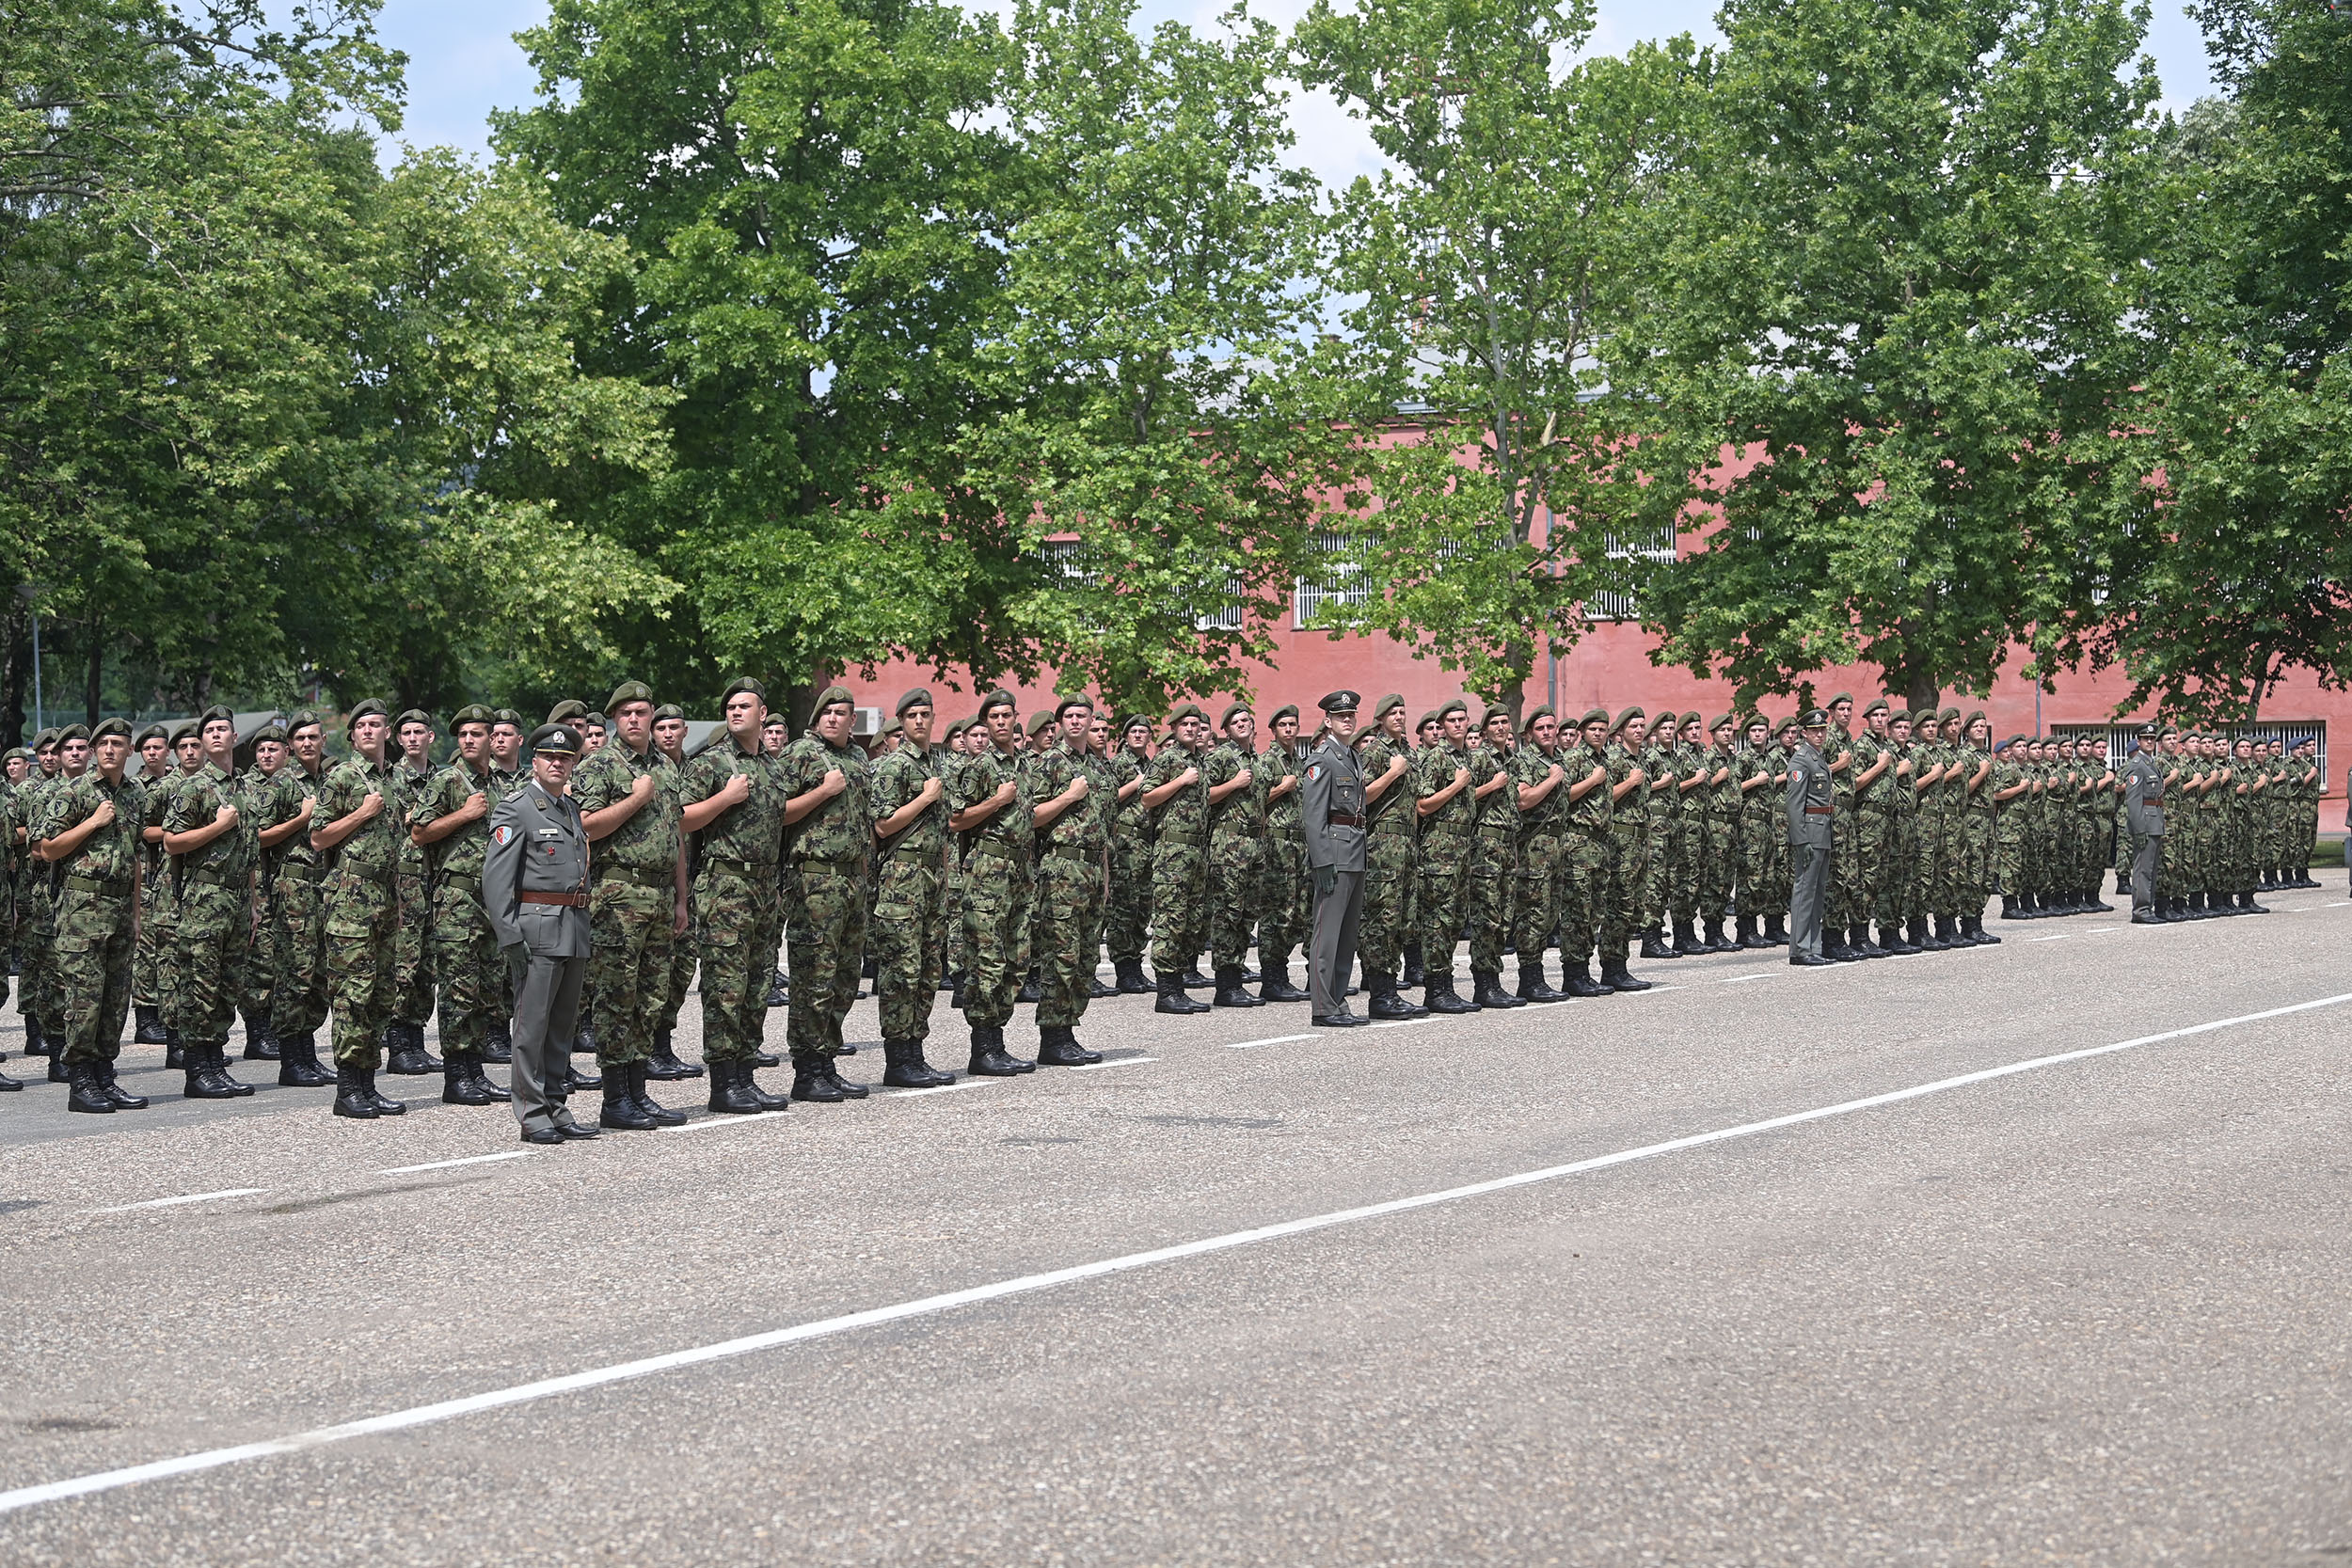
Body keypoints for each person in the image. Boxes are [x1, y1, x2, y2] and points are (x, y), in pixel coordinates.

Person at [485, 722, 600, 1145]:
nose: (557, 764)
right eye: (549, 757)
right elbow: (496, 877)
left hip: (573, 928)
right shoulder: (516, 808)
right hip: (536, 931)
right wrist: (509, 934)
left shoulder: (569, 807)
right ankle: (532, 1114)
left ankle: (555, 1105)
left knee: (561, 1028)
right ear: (534, 762)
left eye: (565, 758)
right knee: (531, 1028)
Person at [680, 677, 792, 1113]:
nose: (735, 711)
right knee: (725, 986)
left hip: (764, 887)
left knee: (758, 983)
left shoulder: (773, 767)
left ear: (762, 714)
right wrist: (725, 798)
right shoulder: (711, 762)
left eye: (744, 706)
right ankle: (724, 1083)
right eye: (730, 707)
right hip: (725, 886)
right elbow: (682, 818)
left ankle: (746, 1076)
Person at [38, 718, 148, 1112]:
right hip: (82, 910)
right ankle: (81, 1081)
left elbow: (135, 856)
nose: (109, 750)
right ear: (93, 750)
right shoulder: (75, 792)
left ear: (129, 750)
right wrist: (93, 822)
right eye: (102, 744)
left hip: (120, 907)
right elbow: (48, 848)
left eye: (117, 743)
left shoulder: (134, 794)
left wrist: (137, 912)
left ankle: (105, 1075)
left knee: (115, 998)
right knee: (84, 998)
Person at [408, 705, 513, 1109]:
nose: (468, 740)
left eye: (476, 734)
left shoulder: (500, 784)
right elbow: (419, 832)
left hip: (492, 900)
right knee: (459, 989)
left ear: (491, 738)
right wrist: (464, 814)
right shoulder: (447, 781)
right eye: (463, 735)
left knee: (487, 989)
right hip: (457, 899)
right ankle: (456, 1077)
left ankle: (476, 1071)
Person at [777, 684, 878, 1099]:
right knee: (813, 978)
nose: (833, 718)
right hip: (815, 880)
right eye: (827, 712)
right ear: (817, 718)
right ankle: (807, 1070)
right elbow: (777, 813)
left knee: (844, 978)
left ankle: (826, 1060)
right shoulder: (800, 754)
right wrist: (822, 791)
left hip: (853, 880)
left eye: (841, 713)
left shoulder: (857, 757)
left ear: (853, 720)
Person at [311, 699, 409, 1119]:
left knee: (382, 993)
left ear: (387, 732)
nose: (368, 731)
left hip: (386, 895)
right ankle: (348, 1088)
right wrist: (362, 813)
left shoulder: (396, 779)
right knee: (353, 993)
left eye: (375, 724)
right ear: (352, 736)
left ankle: (368, 1083)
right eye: (361, 726)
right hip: (351, 898)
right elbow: (318, 836)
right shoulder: (342, 777)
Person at [162, 705, 260, 1099]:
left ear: (235, 738)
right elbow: (171, 842)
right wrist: (217, 827)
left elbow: (249, 851)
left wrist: (254, 903)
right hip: (204, 899)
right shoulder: (194, 786)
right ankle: (197, 1070)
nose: (217, 734)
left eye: (223, 729)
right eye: (210, 730)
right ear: (202, 741)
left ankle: (216, 1064)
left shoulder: (245, 788)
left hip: (237, 898)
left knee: (227, 986)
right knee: (200, 986)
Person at [868, 688, 957, 1087]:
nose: (919, 721)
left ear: (933, 718)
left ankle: (916, 1051)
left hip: (932, 877)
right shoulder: (894, 766)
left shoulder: (939, 763)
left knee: (927, 969)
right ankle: (898, 1058)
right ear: (901, 723)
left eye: (925, 714)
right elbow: (883, 826)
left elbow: (943, 832)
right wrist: (924, 799)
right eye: (911, 716)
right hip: (902, 878)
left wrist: (946, 880)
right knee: (901, 970)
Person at [1025, 692, 1109, 1064]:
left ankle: (1069, 1030)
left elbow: (1103, 826)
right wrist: (1068, 797)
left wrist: (1105, 874)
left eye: (1082, 715)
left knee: (1086, 956)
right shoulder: (1048, 762)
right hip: (1062, 868)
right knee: (1061, 954)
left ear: (1091, 721)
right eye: (1069, 716)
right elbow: (1031, 816)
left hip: (1093, 869)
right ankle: (1053, 1036)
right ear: (1060, 723)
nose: (1076, 721)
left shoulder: (1098, 767)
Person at [1299, 691, 1369, 1027]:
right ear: (1327, 721)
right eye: (1341, 716)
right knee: (1327, 935)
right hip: (1335, 853)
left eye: (1351, 715)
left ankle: (1338, 1001)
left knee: (1346, 936)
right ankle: (1323, 1007)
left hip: (1355, 850)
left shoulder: (1352, 756)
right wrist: (1322, 861)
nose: (1347, 720)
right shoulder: (1322, 759)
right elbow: (1313, 816)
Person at [1140, 704, 1215, 1017]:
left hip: (1196, 852)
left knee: (1190, 922)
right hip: (1173, 852)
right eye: (1184, 724)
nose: (1191, 729)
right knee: (1170, 920)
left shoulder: (1200, 762)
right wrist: (1181, 781)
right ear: (1173, 727)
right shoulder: (1168, 759)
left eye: (1195, 724)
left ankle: (1179, 985)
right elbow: (1147, 798)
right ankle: (1167, 991)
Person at [1203, 705, 1266, 1009]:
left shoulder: (1258, 760)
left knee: (1247, 915)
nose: (1241, 724)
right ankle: (1226, 985)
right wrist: (1233, 784)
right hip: (1229, 844)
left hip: (1254, 845)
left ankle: (1237, 976)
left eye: (1245, 720)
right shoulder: (1219, 757)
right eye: (1235, 722)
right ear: (1226, 730)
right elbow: (1203, 796)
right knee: (1228, 914)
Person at [1787, 708, 1835, 966]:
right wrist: (1801, 840)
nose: (1819, 734)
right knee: (1805, 891)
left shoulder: (1817, 758)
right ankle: (1799, 949)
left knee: (1817, 892)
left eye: (1822, 730)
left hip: (1822, 829)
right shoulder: (1801, 760)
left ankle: (1813, 946)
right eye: (1814, 731)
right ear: (1804, 733)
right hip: (1810, 831)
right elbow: (1794, 805)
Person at [2120, 721, 2166, 923]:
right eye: (2146, 739)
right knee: (2143, 870)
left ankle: (2148, 907)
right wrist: (2139, 829)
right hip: (2145, 823)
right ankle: (2140, 910)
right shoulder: (2137, 765)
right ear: (2138, 741)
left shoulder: (2150, 763)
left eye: (2152, 739)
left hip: (2154, 821)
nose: (2149, 742)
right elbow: (2133, 800)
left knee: (2151, 869)